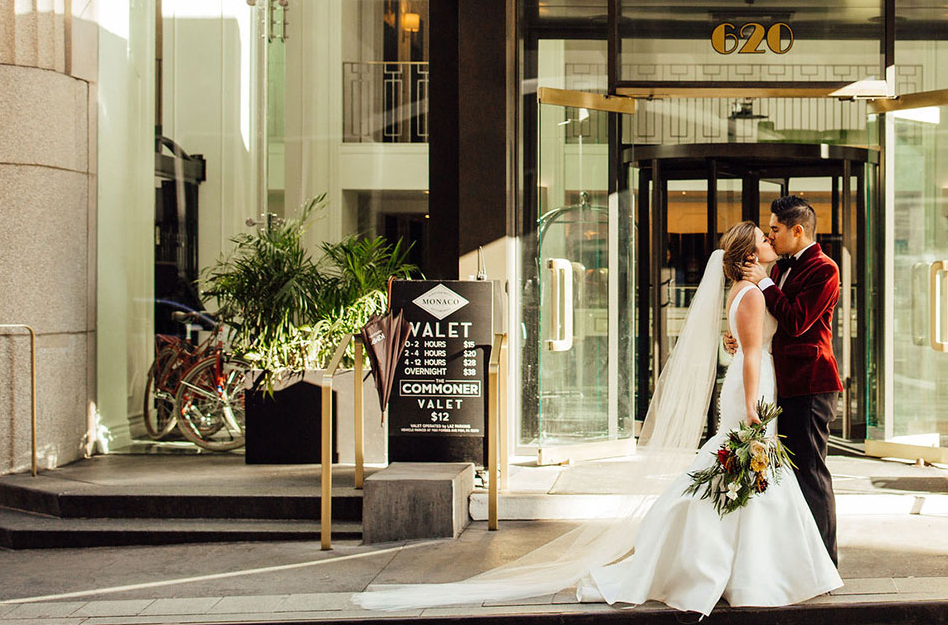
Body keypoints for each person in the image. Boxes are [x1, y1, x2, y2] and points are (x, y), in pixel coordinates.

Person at [355, 222, 841, 616]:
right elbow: (752, 353)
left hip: (753, 382)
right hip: (753, 389)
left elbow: (747, 342)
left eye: (772, 233)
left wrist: (741, 349)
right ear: (750, 254)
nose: (770, 239)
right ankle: (741, 569)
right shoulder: (752, 293)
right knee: (744, 471)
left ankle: (738, 566)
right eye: (763, 237)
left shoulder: (748, 289)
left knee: (742, 473)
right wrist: (753, 405)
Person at [736, 195, 843, 567]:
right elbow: (771, 321)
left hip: (811, 385)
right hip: (782, 384)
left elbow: (797, 321)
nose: (770, 236)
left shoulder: (825, 269)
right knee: (788, 476)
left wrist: (766, 283)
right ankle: (796, 559)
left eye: (775, 229)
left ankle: (825, 563)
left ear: (798, 231)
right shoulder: (780, 267)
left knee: (811, 474)